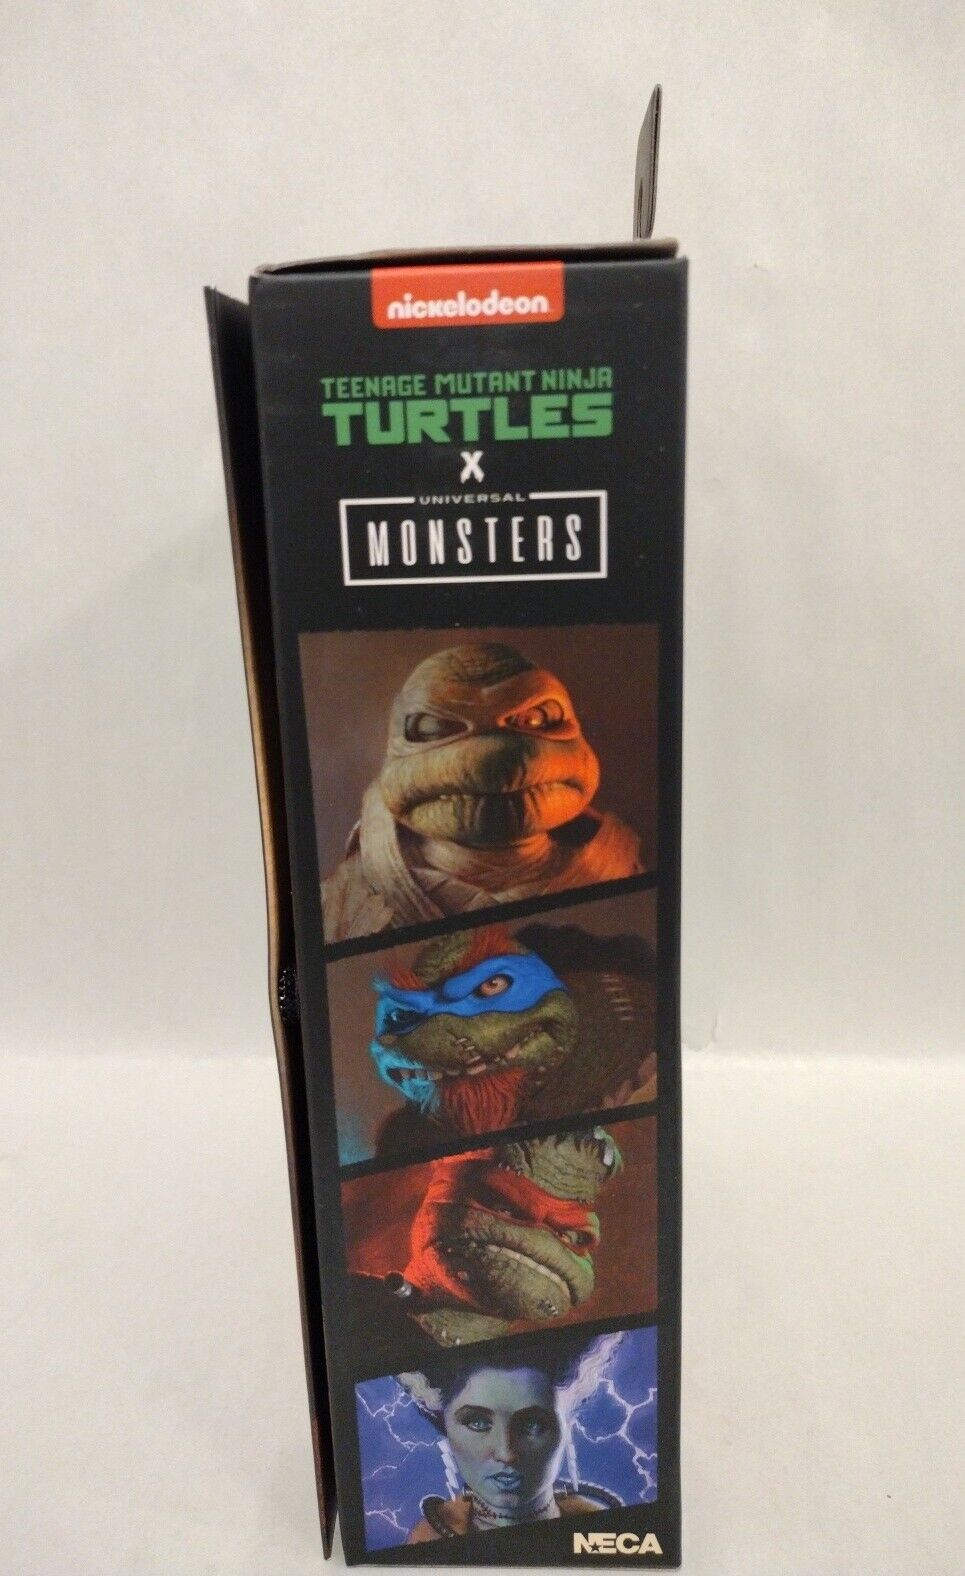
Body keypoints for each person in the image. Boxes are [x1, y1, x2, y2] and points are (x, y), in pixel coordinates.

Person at [322, 643, 644, 941]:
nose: (490, 753)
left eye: (537, 718)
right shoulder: (346, 902)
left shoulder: (622, 873)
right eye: (433, 727)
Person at [397, 1332, 624, 1540]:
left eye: (532, 1424)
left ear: (567, 1421)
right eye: (478, 1423)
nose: (506, 1454)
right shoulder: (424, 1538)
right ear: (443, 1423)